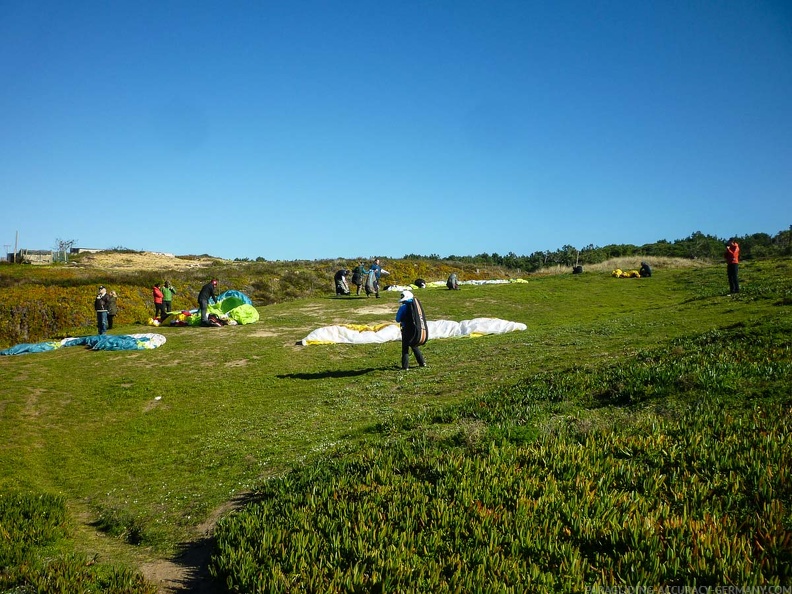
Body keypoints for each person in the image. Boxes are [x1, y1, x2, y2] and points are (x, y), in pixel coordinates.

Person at [396, 290, 426, 370]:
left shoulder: (403, 307)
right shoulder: (416, 306)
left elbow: (398, 319)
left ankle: (405, 366)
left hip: (406, 330)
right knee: (414, 345)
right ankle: (422, 362)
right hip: (415, 329)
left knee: (405, 348)